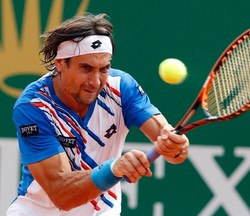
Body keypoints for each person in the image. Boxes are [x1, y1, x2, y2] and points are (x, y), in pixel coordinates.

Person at [6, 13, 189, 216]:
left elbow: (170, 146)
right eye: (86, 68)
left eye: (104, 68)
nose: (95, 81)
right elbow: (62, 195)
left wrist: (175, 146)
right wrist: (114, 169)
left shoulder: (121, 87)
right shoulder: (34, 106)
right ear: (60, 64)